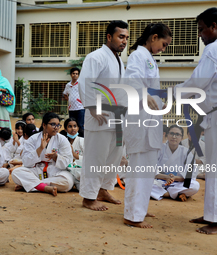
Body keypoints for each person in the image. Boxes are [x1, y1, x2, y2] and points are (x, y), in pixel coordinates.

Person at [174, 7, 217, 234]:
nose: (200, 35)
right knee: (215, 167)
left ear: (213, 26)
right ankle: (213, 214)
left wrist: (168, 95)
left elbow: (196, 84)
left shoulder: (215, 50)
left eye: (201, 30)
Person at [123, 23, 172, 228]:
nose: (164, 48)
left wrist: (161, 102)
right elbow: (133, 81)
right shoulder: (138, 56)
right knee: (138, 169)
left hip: (150, 121)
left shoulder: (150, 58)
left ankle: (139, 208)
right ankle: (132, 216)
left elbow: (150, 89)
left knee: (148, 169)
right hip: (140, 121)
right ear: (153, 37)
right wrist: (146, 97)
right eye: (163, 43)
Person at [77, 20, 129, 211]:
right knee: (95, 157)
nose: (124, 41)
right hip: (99, 115)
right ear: (109, 37)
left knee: (113, 157)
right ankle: (88, 197)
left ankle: (103, 190)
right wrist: (92, 107)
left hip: (116, 116)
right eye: (120, 36)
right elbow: (85, 82)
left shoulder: (117, 60)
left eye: (126, 37)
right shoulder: (96, 57)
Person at [11, 112, 74, 196]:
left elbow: (68, 161)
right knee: (16, 173)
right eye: (53, 124)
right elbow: (26, 162)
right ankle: (44, 187)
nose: (56, 128)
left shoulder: (62, 139)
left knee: (67, 182)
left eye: (58, 125)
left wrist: (56, 157)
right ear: (44, 125)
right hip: (37, 170)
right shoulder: (33, 139)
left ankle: (32, 185)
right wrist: (40, 149)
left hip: (56, 171)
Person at [150, 125, 200, 201]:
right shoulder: (159, 149)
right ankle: (172, 194)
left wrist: (175, 178)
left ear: (182, 137)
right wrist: (165, 177)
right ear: (167, 135)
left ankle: (165, 193)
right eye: (171, 133)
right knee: (142, 182)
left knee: (195, 185)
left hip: (177, 183)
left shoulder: (186, 152)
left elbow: (190, 174)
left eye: (177, 134)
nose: (174, 137)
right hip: (159, 181)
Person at [60, 117, 84, 190]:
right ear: (65, 129)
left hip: (80, 172)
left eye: (75, 126)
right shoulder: (63, 142)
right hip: (67, 171)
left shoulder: (82, 141)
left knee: (82, 189)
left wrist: (74, 155)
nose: (73, 129)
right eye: (70, 126)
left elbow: (90, 159)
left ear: (78, 128)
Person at [63, 68, 85, 132]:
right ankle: (73, 139)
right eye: (73, 73)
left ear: (78, 75)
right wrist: (69, 100)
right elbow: (65, 94)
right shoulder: (68, 85)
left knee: (80, 125)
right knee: (72, 125)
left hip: (80, 108)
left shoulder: (81, 84)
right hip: (71, 109)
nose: (75, 75)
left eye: (76, 74)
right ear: (71, 75)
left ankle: (82, 140)